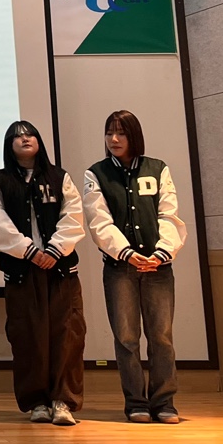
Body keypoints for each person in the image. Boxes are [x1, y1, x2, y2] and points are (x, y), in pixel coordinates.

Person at [83, 110, 188, 424]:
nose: (114, 139)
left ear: (134, 136)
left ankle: (164, 402)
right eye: (109, 133)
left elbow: (168, 214)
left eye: (121, 133)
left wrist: (162, 252)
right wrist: (126, 253)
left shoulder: (157, 169)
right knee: (127, 339)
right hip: (120, 269)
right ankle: (136, 402)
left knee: (162, 337)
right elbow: (99, 221)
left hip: (158, 267)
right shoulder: (96, 173)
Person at [0, 121, 86, 427]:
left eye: (29, 134)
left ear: (39, 141)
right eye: (17, 137)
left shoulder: (59, 177)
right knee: (27, 337)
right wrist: (28, 251)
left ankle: (63, 401)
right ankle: (37, 402)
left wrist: (55, 250)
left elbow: (73, 215)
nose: (24, 139)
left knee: (67, 334)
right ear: (9, 145)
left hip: (60, 269)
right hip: (22, 271)